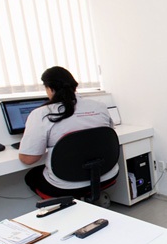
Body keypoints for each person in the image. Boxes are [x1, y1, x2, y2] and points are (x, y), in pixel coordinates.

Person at [19, 66, 118, 198]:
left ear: (50, 88)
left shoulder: (41, 113)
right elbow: (108, 134)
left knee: (31, 176)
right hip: (106, 174)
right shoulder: (99, 106)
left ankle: (63, 212)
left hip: (65, 186)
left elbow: (28, 159)